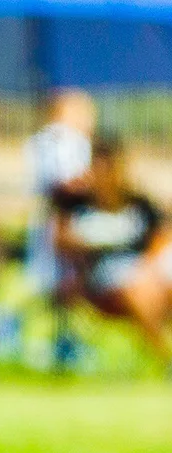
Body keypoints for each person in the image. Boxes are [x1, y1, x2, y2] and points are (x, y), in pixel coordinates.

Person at [54, 135, 172, 362]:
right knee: (137, 290)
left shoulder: (139, 204)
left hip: (147, 276)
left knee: (148, 283)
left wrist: (147, 265)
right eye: (100, 168)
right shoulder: (77, 205)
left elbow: (162, 236)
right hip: (103, 283)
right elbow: (60, 241)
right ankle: (164, 358)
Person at [25, 89, 96, 292]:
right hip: (64, 214)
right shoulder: (69, 140)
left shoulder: (40, 140)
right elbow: (65, 183)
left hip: (50, 213)